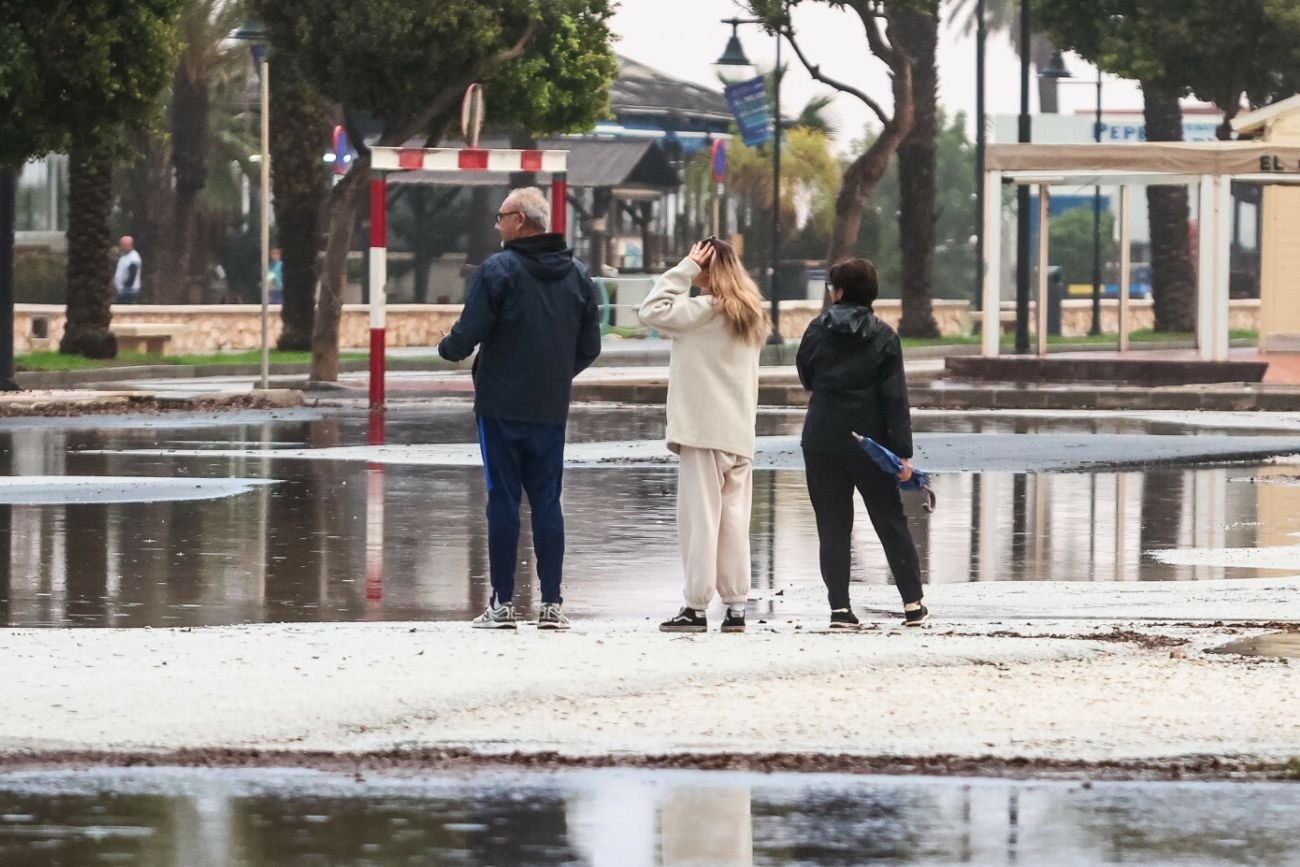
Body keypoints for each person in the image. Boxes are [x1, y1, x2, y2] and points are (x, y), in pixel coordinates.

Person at [438, 187, 601, 630]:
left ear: (521, 221)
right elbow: (591, 346)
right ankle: (551, 605)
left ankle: (503, 604)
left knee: (503, 500)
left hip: (500, 407)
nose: (496, 224)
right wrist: (553, 376)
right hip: (550, 409)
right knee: (548, 500)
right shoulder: (579, 275)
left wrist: (447, 348)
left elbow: (467, 335)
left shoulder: (498, 270)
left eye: (501, 216)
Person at [639, 238, 770, 634]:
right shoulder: (751, 314)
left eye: (700, 269)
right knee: (733, 521)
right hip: (738, 433)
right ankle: (736, 606)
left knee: (700, 521)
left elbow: (650, 310)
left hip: (701, 430)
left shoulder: (701, 311)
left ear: (707, 270)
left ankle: (696, 606)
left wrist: (682, 268)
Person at [796, 258, 929, 629]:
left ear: (837, 292)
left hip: (822, 438)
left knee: (833, 525)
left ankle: (840, 609)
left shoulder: (815, 330)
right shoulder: (885, 336)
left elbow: (807, 374)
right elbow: (895, 399)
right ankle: (912, 604)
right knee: (890, 521)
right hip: (871, 445)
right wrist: (902, 453)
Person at [113, 236, 142, 303]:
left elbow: (132, 274)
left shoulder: (134, 257)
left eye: (122, 244)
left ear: (128, 245)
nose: (121, 246)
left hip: (129, 291)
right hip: (123, 290)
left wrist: (125, 287)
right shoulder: (124, 256)